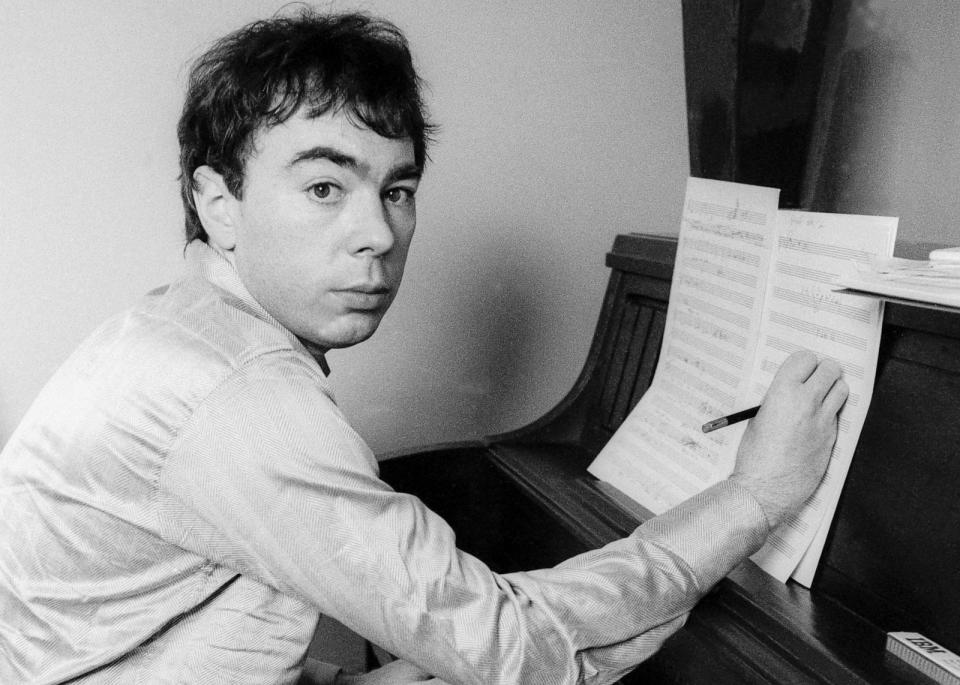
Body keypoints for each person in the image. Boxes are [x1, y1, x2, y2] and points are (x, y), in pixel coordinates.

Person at [0, 9, 847, 685]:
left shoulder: (175, 329)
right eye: (325, 186)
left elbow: (156, 629)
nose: (378, 233)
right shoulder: (242, 394)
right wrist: (755, 496)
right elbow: (515, 647)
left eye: (396, 188)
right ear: (218, 203)